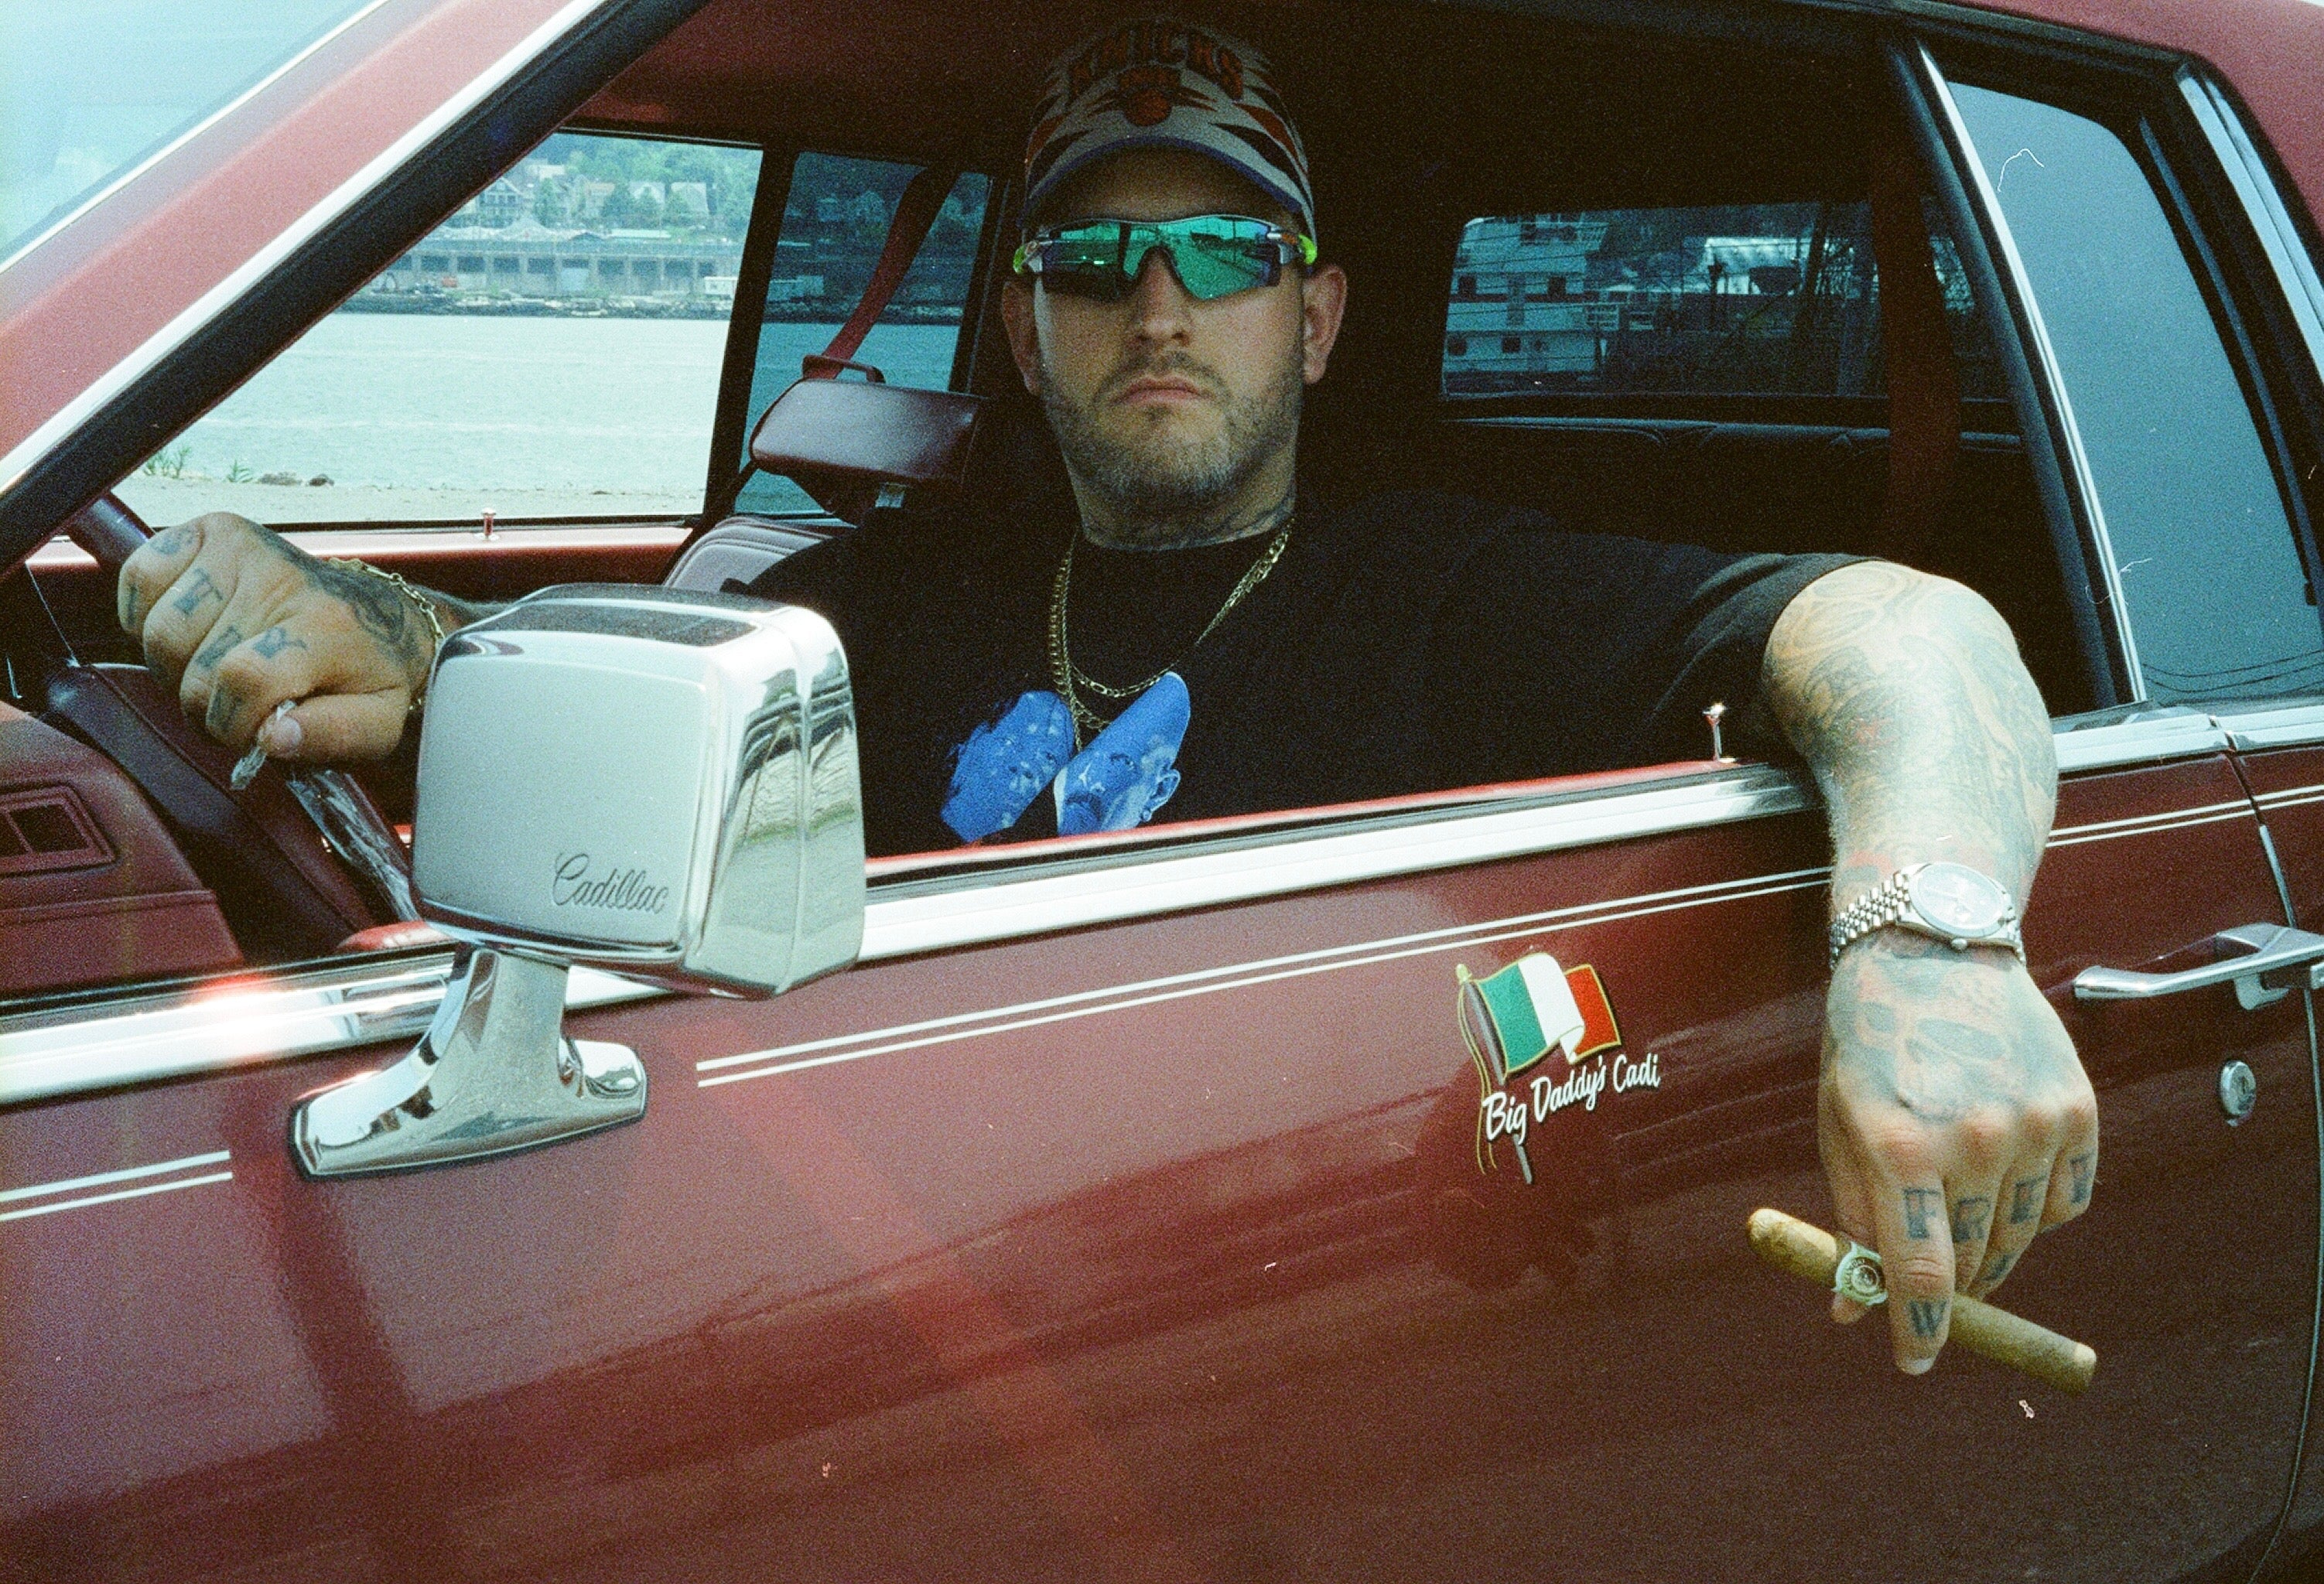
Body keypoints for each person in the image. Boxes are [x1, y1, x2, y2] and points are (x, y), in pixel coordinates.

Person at [112, 16, 2094, 1379]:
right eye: (1093, 257)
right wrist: (365, 621)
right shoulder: (895, 603)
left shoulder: (1453, 588)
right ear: (1025, 328)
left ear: (1310, 321)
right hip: (875, 1250)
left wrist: (1927, 945)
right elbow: (596, 680)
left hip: (1299, 1286)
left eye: (1224, 250)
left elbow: (1911, 632)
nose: (1160, 304)